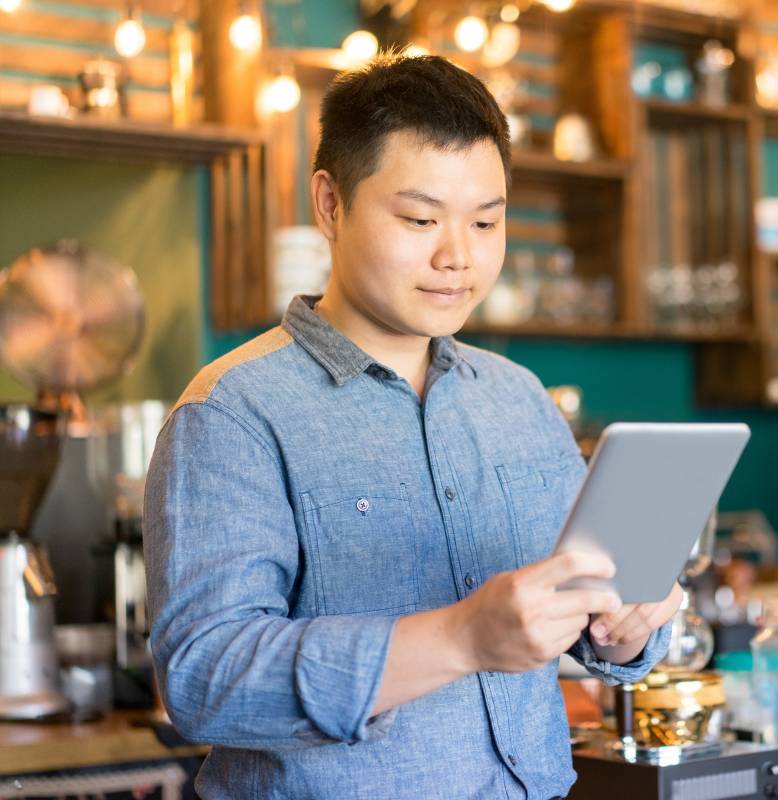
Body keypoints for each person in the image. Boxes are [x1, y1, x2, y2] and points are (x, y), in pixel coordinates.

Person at [145, 54, 681, 799]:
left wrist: (630, 628)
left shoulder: (519, 399)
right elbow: (205, 680)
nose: (457, 256)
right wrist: (459, 638)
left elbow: (596, 614)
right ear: (331, 206)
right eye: (420, 219)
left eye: (487, 222)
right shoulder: (234, 412)